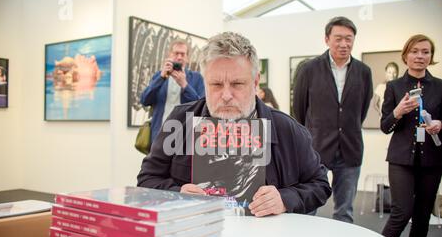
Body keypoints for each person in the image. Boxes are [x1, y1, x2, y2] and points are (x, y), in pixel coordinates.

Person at [137, 32, 331, 216]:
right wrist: (177, 193)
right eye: (216, 85)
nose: (227, 96)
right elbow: (147, 179)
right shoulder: (180, 121)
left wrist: (285, 199)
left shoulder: (286, 129)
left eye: (237, 84)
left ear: (255, 83)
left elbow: (320, 185)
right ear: (205, 82)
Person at [372, 34, 442, 237]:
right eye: (415, 51)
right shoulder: (394, 87)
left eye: (425, 52)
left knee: (423, 216)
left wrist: (439, 124)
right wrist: (398, 111)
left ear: (430, 57)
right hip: (401, 159)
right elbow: (385, 126)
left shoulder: (440, 87)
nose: (420, 56)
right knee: (401, 211)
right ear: (405, 55)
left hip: (432, 161)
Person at [293, 16, 373, 223]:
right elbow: (299, 111)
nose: (344, 44)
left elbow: (361, 111)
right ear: (327, 39)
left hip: (351, 149)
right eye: (338, 38)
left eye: (349, 38)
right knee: (307, 208)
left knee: (344, 212)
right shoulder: (309, 69)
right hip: (316, 148)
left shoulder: (364, 72)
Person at [140, 38, 205, 143]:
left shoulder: (197, 78)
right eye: (176, 53)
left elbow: (201, 108)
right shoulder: (159, 76)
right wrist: (161, 78)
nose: (179, 57)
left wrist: (185, 85)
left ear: (187, 58)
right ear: (170, 55)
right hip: (159, 135)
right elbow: (144, 100)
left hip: (185, 137)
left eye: (183, 54)